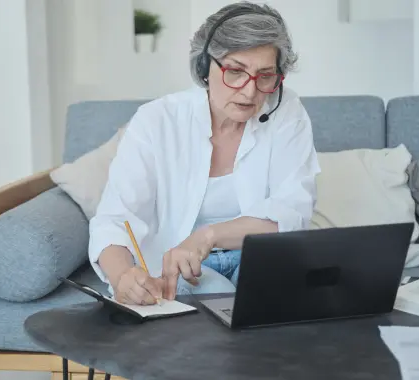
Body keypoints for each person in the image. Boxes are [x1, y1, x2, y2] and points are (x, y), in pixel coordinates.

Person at [88, 1, 321, 305]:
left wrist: (207, 236)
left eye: (265, 76)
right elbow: (115, 220)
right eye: (235, 72)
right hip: (184, 271)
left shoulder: (286, 111)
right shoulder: (157, 120)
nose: (250, 91)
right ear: (204, 68)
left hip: (260, 260)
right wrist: (122, 278)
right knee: (213, 302)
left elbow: (292, 215)